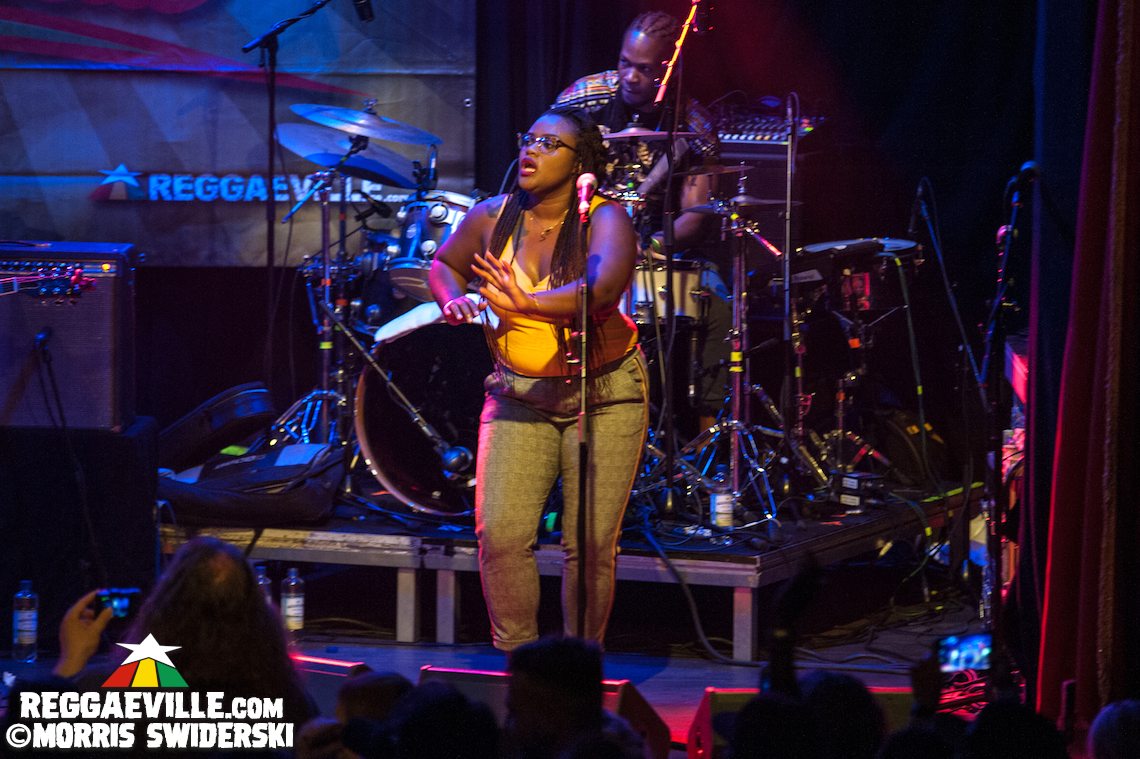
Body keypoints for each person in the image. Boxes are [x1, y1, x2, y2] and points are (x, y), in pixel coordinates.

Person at [428, 106, 647, 652]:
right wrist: (452, 301)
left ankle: (578, 666)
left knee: (588, 544)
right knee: (500, 536)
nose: (531, 149)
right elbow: (444, 264)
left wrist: (527, 303)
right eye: (530, 138)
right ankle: (520, 664)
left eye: (550, 144)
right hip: (517, 394)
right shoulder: (491, 216)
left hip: (604, 394)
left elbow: (601, 290)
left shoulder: (605, 218)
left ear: (580, 164)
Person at [554, 11, 730, 433]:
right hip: (582, 245)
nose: (630, 77)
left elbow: (695, 217)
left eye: (645, 69)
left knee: (719, 301)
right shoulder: (583, 100)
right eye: (624, 63)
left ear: (669, 69)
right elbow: (543, 170)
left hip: (654, 252)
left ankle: (705, 439)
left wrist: (646, 246)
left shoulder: (693, 125)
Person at [503, 636, 646, 759]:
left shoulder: (601, 750)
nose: (510, 723)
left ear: (556, 707)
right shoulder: (552, 742)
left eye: (517, 711)